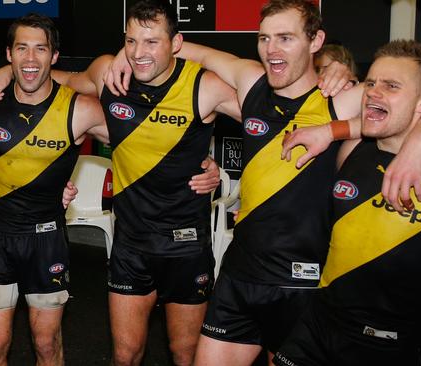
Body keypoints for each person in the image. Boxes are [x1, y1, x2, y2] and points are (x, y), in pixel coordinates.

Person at [103, 0, 369, 364]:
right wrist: (125, 53)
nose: (271, 49)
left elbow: (416, 104)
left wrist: (333, 130)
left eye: (286, 38)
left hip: (300, 281)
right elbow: (181, 48)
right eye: (264, 38)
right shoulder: (250, 81)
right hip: (239, 273)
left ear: (315, 40)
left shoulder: (340, 101)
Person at [0, 2, 241, 365]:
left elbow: (265, 106)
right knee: (125, 354)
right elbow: (54, 77)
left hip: (185, 244)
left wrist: (220, 178)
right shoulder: (108, 74)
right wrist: (3, 73)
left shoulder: (205, 87)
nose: (139, 53)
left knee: (185, 354)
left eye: (152, 42)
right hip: (131, 243)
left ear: (176, 42)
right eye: (131, 41)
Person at [274, 39, 421, 366]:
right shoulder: (351, 148)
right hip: (319, 321)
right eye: (371, 83)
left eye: (391, 86)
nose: (374, 92)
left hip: (384, 343)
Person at [0, 14, 109, 366]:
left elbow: (140, 144)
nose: (30, 59)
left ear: (54, 56)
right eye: (22, 49)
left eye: (40, 49)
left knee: (47, 345)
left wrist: (201, 162)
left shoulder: (80, 109)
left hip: (46, 241)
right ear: (9, 54)